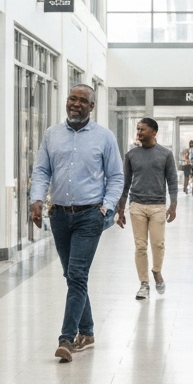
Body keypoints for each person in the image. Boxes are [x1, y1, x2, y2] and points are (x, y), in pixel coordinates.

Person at [31, 83, 123, 363]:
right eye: (72, 98)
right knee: (72, 276)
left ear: (92, 107)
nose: (76, 104)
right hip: (58, 214)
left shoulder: (104, 137)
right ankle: (88, 330)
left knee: (78, 274)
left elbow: (116, 176)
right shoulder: (52, 135)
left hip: (88, 216)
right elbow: (42, 170)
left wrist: (105, 208)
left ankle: (66, 339)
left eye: (83, 100)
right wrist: (36, 199)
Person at [117, 117, 178, 300]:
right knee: (140, 246)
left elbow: (173, 181)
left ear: (154, 132)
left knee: (158, 244)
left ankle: (156, 271)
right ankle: (144, 284)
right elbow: (125, 183)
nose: (139, 133)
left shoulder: (165, 154)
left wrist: (173, 205)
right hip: (137, 206)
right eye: (137, 129)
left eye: (142, 129)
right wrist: (121, 209)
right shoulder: (131, 155)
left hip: (158, 206)